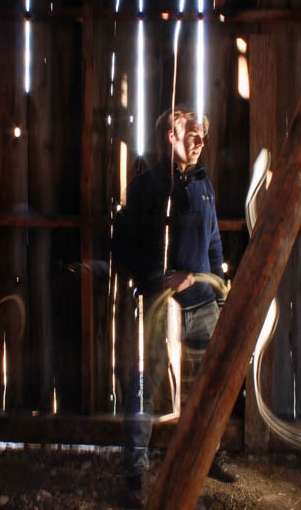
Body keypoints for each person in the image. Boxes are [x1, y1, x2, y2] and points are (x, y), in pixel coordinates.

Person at [113, 105, 238, 506]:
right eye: (191, 133)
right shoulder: (146, 186)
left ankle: (210, 454)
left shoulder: (204, 185)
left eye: (203, 134)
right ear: (170, 136)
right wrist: (158, 277)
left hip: (203, 306)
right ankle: (134, 474)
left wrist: (219, 286)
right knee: (146, 387)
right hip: (161, 305)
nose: (200, 141)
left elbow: (214, 241)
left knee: (211, 385)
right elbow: (122, 247)